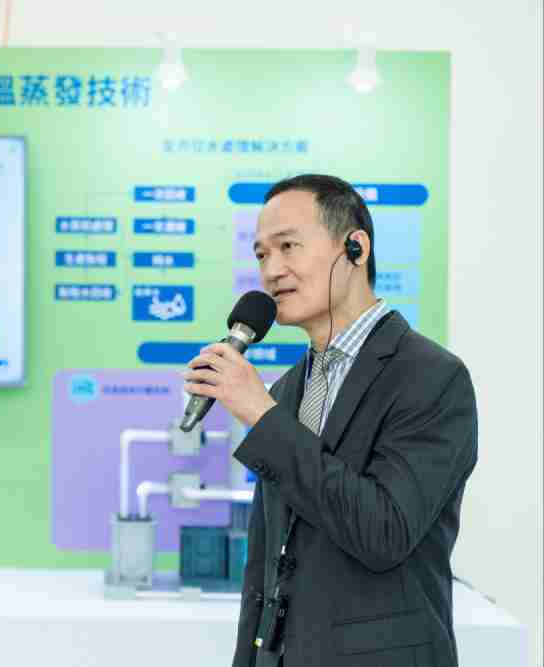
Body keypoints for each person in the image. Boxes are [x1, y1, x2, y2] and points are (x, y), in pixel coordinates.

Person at [182, 174, 477, 666]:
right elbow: (266, 567)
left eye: (288, 246)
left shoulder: (432, 377)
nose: (272, 270)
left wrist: (261, 416)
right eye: (261, 254)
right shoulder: (287, 389)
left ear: (356, 248)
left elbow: (384, 533)